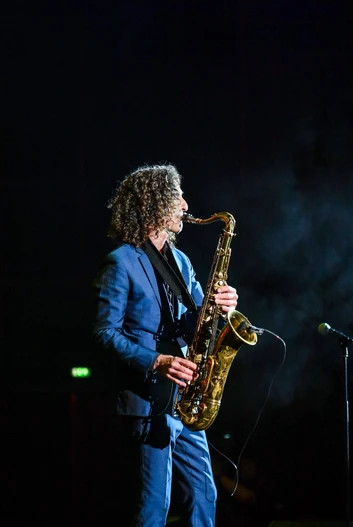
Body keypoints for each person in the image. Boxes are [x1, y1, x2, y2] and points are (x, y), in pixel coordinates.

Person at [92, 163, 240, 526]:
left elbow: (195, 327)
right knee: (153, 507)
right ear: (154, 204)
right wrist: (157, 360)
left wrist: (219, 306)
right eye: (177, 197)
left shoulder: (181, 260)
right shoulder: (121, 262)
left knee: (205, 495)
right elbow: (104, 333)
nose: (186, 205)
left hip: (185, 399)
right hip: (148, 401)